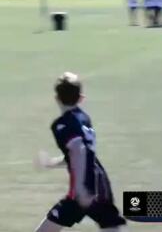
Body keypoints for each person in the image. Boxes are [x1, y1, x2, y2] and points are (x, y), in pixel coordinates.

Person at [34, 72, 127, 232]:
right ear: (81, 98)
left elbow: (78, 150)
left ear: (56, 99)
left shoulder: (62, 125)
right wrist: (52, 163)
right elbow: (76, 153)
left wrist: (81, 188)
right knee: (111, 226)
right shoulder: (83, 118)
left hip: (82, 188)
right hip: (100, 184)